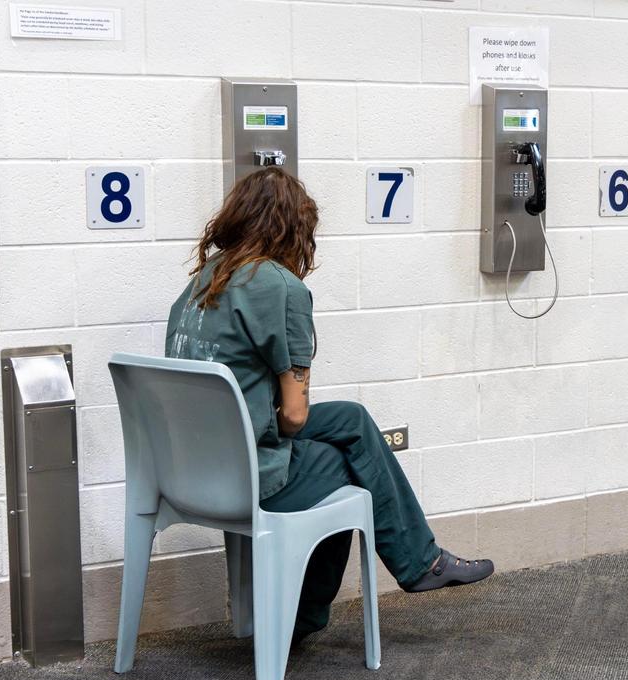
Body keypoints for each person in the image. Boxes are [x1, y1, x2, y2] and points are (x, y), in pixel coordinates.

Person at [165, 167, 494, 641]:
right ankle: (326, 608)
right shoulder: (281, 287)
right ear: (294, 229)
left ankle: (417, 563)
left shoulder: (201, 282)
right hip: (245, 472)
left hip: (186, 467)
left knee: (353, 420)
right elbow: (296, 416)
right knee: (347, 469)